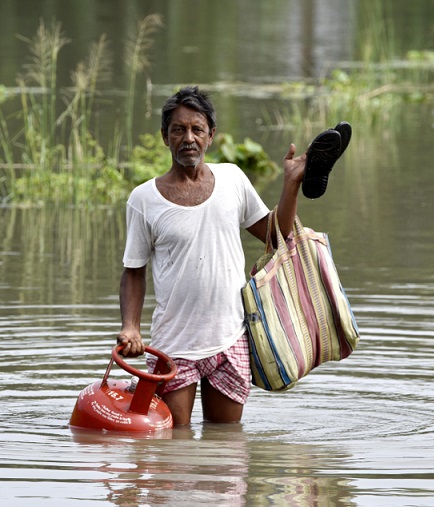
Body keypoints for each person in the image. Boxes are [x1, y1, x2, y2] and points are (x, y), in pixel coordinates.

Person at [116, 86, 339, 426]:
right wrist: (130, 327)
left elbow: (275, 237)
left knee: (227, 446)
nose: (188, 138)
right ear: (165, 137)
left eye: (197, 129)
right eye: (178, 129)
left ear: (211, 136)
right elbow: (134, 271)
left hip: (230, 339)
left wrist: (292, 184)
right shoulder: (144, 199)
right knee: (175, 450)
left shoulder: (233, 179)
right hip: (174, 345)